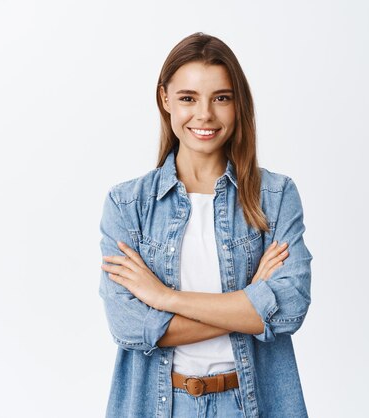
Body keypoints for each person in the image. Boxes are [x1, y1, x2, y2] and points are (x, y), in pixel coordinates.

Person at [99, 32, 313, 418]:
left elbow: (290, 309)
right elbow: (128, 326)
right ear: (164, 99)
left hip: (250, 404)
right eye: (188, 98)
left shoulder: (276, 197)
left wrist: (165, 299)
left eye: (221, 97)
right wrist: (250, 302)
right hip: (162, 405)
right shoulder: (127, 205)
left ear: (238, 102)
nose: (205, 115)